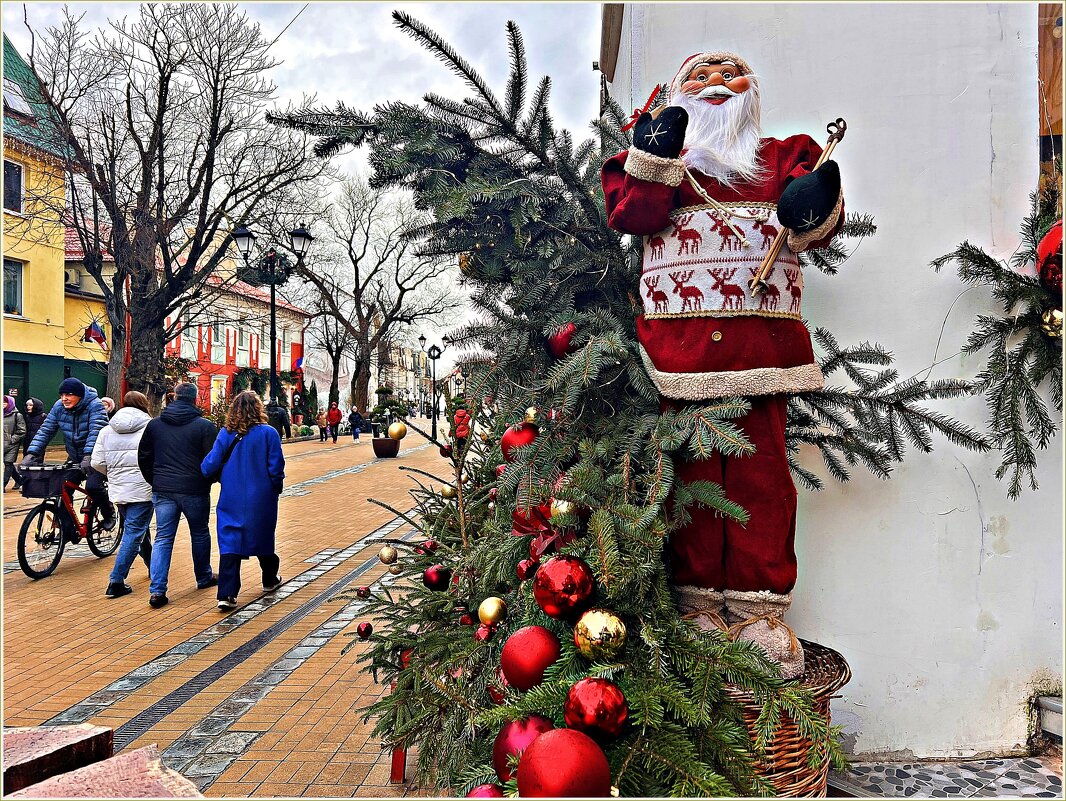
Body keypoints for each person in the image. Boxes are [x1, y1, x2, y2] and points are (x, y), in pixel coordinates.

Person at [601, 51, 844, 678]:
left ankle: (760, 614)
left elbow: (816, 214)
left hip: (760, 355)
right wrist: (653, 153)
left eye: (727, 76)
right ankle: (697, 605)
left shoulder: (784, 155)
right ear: (679, 96)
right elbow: (633, 213)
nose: (714, 86)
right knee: (691, 481)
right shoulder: (660, 169)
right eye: (699, 79)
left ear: (751, 92)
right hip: (681, 362)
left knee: (762, 480)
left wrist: (814, 201)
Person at [137, 382, 219, 609]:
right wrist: (207, 480)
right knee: (200, 533)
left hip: (163, 489)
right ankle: (203, 576)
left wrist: (155, 480)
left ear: (173, 397)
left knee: (163, 537)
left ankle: (157, 590)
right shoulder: (204, 426)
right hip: (195, 489)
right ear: (195, 399)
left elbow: (143, 457)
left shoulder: (155, 425)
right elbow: (212, 461)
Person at [201, 391, 284, 611]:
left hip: (231, 497)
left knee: (230, 542)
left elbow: (209, 466)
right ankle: (269, 578)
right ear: (258, 409)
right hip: (262, 497)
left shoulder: (225, 434)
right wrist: (276, 487)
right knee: (263, 537)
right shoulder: (269, 433)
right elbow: (276, 467)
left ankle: (227, 594)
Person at [22, 378, 115, 530]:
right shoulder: (59, 407)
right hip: (75, 456)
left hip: (97, 457)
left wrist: (88, 457)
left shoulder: (95, 406)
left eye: (69, 395)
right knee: (61, 486)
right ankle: (67, 528)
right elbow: (46, 430)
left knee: (93, 486)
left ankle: (109, 513)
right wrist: (31, 454)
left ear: (80, 395)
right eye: (62, 395)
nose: (64, 398)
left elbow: (96, 432)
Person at [91, 392, 154, 598]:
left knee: (135, 528)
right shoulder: (150, 427)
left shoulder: (107, 430)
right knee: (134, 532)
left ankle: (153, 565)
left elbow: (97, 462)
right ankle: (116, 580)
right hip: (143, 488)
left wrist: (114, 475)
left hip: (119, 489)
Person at [3, 396, 26, 491]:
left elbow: (22, 430)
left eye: (5, 402)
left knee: (8, 463)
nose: (3, 404)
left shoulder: (17, 415)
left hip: (12, 445)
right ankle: (20, 480)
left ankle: (2, 485)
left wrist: (12, 440)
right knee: (9, 465)